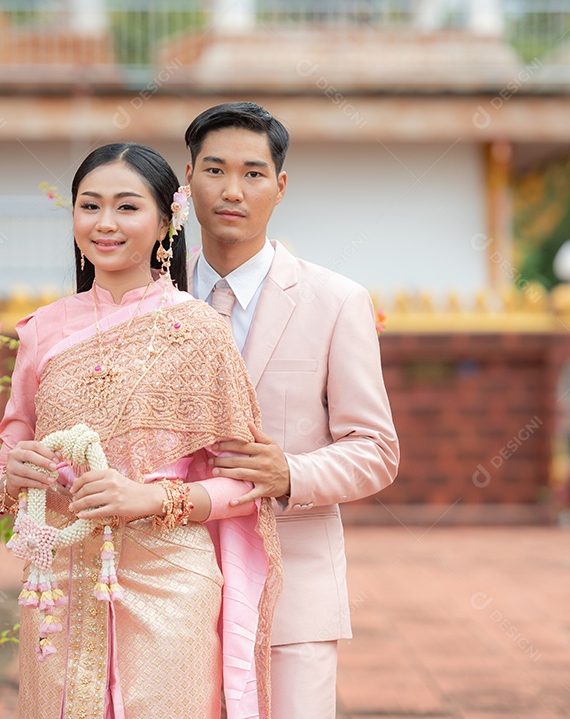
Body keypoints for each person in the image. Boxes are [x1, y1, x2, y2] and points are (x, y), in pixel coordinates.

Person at [0, 142, 281, 719]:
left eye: (127, 207)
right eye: (89, 206)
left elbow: (245, 483)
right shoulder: (43, 330)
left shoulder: (199, 331)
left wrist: (146, 498)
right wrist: (14, 470)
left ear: (164, 222)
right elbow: (13, 445)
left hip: (169, 576)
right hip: (62, 580)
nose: (105, 224)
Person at [183, 102, 400, 719]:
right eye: (215, 170)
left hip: (293, 595)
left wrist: (291, 475)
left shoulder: (336, 302)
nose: (232, 190)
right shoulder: (150, 300)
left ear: (279, 187)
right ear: (188, 179)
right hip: (171, 589)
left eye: (253, 173)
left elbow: (377, 450)